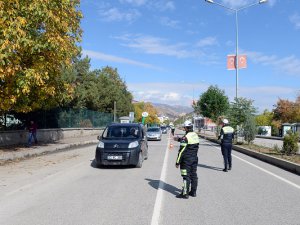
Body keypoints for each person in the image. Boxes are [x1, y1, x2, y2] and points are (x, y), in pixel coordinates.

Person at [174, 120, 199, 199]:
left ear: (186, 128)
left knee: (186, 176)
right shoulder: (195, 135)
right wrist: (178, 139)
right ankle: (193, 192)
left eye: (184, 127)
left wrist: (177, 162)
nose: (184, 128)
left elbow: (181, 151)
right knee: (193, 175)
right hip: (194, 158)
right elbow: (187, 140)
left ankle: (185, 194)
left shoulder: (185, 137)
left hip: (186, 160)